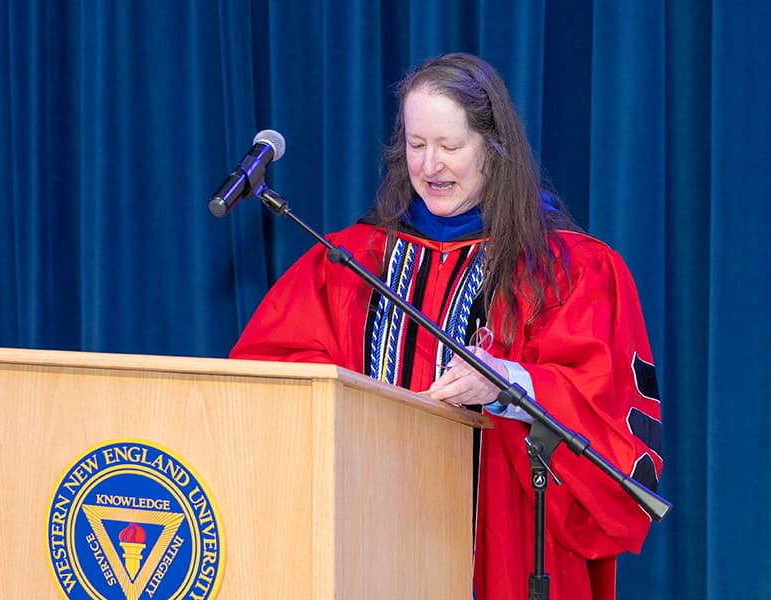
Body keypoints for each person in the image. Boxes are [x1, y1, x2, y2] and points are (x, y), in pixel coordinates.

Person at [230, 52, 662, 600]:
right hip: (366, 541)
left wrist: (511, 385)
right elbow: (266, 383)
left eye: (450, 147)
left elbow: (607, 413)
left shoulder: (570, 270)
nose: (430, 166)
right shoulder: (347, 261)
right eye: (416, 145)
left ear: (494, 147)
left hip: (505, 549)